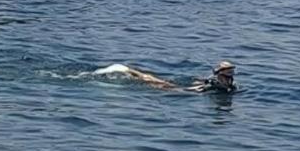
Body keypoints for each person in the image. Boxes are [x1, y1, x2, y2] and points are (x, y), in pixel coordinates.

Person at [93, 59, 236, 94]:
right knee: (149, 80)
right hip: (177, 89)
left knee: (151, 80)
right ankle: (125, 70)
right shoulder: (214, 84)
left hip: (180, 88)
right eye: (228, 72)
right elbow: (199, 89)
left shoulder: (227, 84)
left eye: (232, 72)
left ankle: (128, 71)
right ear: (221, 73)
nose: (231, 75)